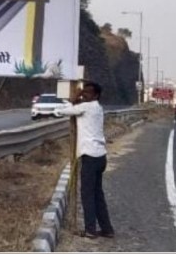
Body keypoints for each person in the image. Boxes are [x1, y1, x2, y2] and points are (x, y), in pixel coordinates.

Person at [54, 82, 115, 239]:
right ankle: (107, 229)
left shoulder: (86, 107)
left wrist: (75, 96)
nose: (85, 95)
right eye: (84, 92)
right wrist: (79, 97)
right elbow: (74, 107)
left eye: (88, 92)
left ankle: (90, 230)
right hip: (100, 156)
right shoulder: (97, 108)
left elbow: (62, 111)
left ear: (96, 95)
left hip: (90, 157)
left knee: (87, 194)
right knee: (97, 194)